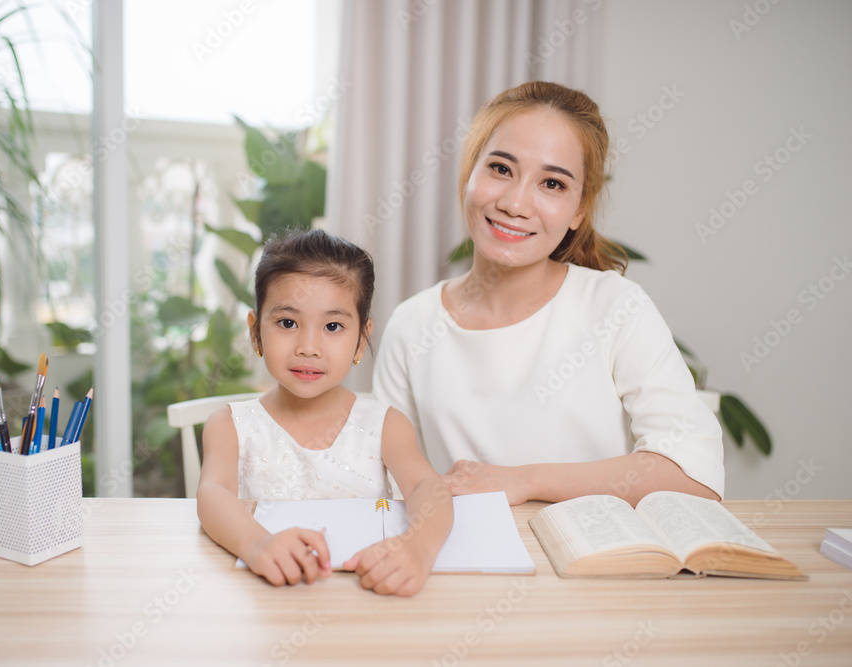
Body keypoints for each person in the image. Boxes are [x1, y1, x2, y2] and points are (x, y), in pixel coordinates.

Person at [373, 81, 725, 507]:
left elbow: (694, 474)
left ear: (580, 208)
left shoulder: (616, 307)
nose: (516, 204)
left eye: (553, 184)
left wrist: (525, 481)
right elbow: (389, 487)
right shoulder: (412, 325)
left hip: (594, 560)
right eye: (501, 169)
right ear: (469, 172)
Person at [197, 229, 453, 596]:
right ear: (256, 333)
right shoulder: (228, 426)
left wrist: (418, 548)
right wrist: (258, 545)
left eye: (333, 326)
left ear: (361, 340)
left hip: (364, 595)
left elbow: (430, 489)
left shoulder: (387, 425)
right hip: (267, 595)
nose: (309, 347)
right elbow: (212, 494)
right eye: (287, 323)